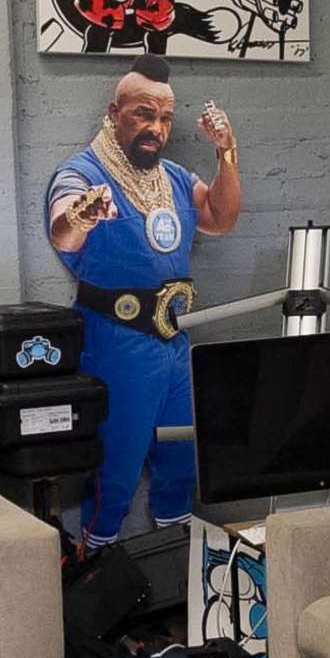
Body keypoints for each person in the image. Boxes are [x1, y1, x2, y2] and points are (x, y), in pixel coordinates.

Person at [45, 65, 242, 539]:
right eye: (144, 114)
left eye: (166, 118)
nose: (157, 128)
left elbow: (220, 217)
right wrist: (85, 212)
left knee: (182, 462)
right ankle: (99, 579)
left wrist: (226, 152)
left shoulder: (172, 176)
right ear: (115, 114)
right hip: (117, 341)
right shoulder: (81, 173)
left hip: (174, 340)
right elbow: (62, 231)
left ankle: (176, 568)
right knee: (116, 469)